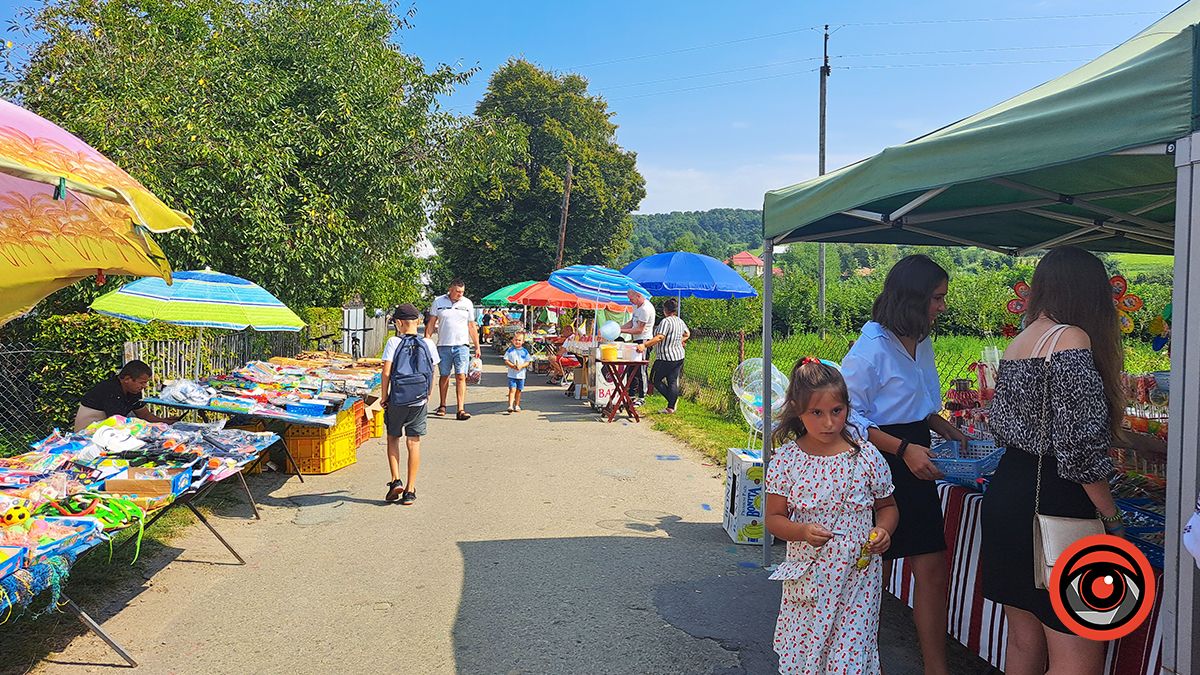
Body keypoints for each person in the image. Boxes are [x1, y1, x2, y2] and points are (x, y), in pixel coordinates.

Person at [981, 247, 1125, 675]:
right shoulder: (1071, 339)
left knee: (1023, 642)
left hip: (1010, 495)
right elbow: (1080, 450)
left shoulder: (1020, 341)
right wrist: (1111, 516)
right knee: (1077, 653)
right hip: (1056, 506)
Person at [840, 254, 966, 675]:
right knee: (868, 570)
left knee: (932, 567)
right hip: (878, 465)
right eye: (936, 298)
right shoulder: (871, 348)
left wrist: (948, 429)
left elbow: (920, 406)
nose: (941, 307)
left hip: (916, 459)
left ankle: (936, 669)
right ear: (912, 298)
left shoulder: (921, 341)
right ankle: (852, 661)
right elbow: (847, 419)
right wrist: (903, 449)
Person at [765, 357, 898, 674]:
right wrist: (801, 532)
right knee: (808, 655)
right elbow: (773, 518)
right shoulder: (786, 460)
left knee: (848, 659)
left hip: (858, 579)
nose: (828, 422)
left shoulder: (866, 456)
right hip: (810, 579)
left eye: (837, 411)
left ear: (848, 408)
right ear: (798, 410)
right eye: (817, 413)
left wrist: (884, 531)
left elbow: (887, 506)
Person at [381, 304, 440, 505]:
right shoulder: (428, 343)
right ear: (418, 321)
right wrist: (428, 395)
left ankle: (395, 480)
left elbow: (386, 373)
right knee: (413, 442)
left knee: (392, 438)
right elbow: (432, 372)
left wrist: (384, 397)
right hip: (419, 399)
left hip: (398, 399)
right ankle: (410, 490)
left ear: (398, 323)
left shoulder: (394, 342)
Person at [426, 279, 481, 421]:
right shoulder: (438, 302)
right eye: (457, 291)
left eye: (462, 292)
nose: (460, 294)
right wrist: (427, 341)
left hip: (462, 346)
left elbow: (471, 326)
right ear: (450, 289)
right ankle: (442, 405)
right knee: (444, 375)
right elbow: (431, 323)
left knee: (461, 376)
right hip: (443, 345)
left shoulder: (467, 303)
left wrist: (477, 345)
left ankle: (460, 409)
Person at [73, 360, 179, 432]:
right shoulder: (110, 390)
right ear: (127, 379)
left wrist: (166, 421)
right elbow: (119, 423)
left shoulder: (133, 391)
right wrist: (152, 425)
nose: (145, 386)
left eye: (146, 382)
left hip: (107, 430)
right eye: (142, 382)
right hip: (87, 434)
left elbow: (145, 415)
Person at [636, 297, 689, 414]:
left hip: (666, 357)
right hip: (679, 356)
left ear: (665, 310)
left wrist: (645, 345)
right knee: (672, 380)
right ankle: (671, 406)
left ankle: (672, 400)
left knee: (654, 379)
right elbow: (687, 334)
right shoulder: (680, 321)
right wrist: (679, 341)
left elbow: (660, 337)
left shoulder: (666, 322)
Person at [620, 290, 656, 406]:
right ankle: (631, 394)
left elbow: (639, 329)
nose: (630, 301)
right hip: (636, 340)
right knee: (632, 368)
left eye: (631, 299)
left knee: (641, 369)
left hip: (644, 340)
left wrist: (622, 331)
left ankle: (642, 396)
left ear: (638, 296)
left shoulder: (646, 309)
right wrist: (619, 328)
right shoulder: (636, 306)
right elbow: (632, 323)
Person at [504, 332, 531, 413]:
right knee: (512, 390)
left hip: (521, 375)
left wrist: (521, 366)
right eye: (516, 340)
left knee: (519, 391)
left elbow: (528, 362)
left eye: (519, 340)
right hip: (512, 375)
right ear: (512, 340)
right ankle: (510, 405)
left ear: (523, 341)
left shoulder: (525, 351)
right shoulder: (510, 350)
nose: (517, 342)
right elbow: (506, 360)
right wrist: (512, 366)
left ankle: (517, 405)